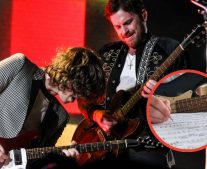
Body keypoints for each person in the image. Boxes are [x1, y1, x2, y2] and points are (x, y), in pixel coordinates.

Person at [77, 0, 189, 168]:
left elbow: (186, 99)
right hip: (104, 148)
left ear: (143, 15)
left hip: (148, 148)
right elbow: (83, 96)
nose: (124, 32)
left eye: (128, 22)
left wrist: (162, 94)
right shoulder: (106, 54)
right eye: (118, 26)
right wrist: (97, 115)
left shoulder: (169, 50)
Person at [0, 47, 105, 168]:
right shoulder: (20, 66)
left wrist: (60, 158)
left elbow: (36, 163)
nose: (77, 99)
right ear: (70, 78)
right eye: (79, 91)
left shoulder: (60, 117)